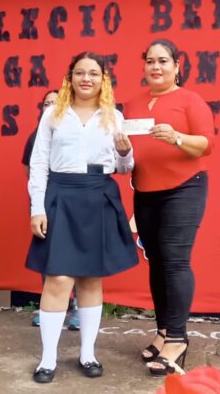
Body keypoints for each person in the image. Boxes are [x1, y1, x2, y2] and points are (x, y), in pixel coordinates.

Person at [27, 52, 137, 383]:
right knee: (57, 278)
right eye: (79, 73)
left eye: (93, 73)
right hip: (61, 194)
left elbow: (124, 168)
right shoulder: (52, 115)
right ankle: (47, 360)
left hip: (98, 195)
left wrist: (124, 151)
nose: (86, 78)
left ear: (103, 79)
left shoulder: (114, 117)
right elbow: (38, 164)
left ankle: (87, 354)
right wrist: (37, 207)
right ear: (69, 78)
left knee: (91, 278)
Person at [126, 39, 215, 375]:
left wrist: (177, 137)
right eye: (149, 61)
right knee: (157, 261)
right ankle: (163, 331)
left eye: (163, 61)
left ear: (177, 66)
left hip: (184, 190)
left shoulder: (190, 100)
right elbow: (126, 150)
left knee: (176, 261)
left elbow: (207, 144)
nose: (155, 67)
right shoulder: (133, 102)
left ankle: (178, 338)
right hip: (145, 191)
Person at [22, 90, 80, 330]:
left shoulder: (75, 131)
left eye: (55, 103)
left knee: (76, 256)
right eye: (46, 104)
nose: (50, 107)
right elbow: (30, 169)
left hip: (71, 200)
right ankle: (49, 305)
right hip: (45, 202)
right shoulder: (35, 136)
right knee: (49, 256)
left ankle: (76, 305)